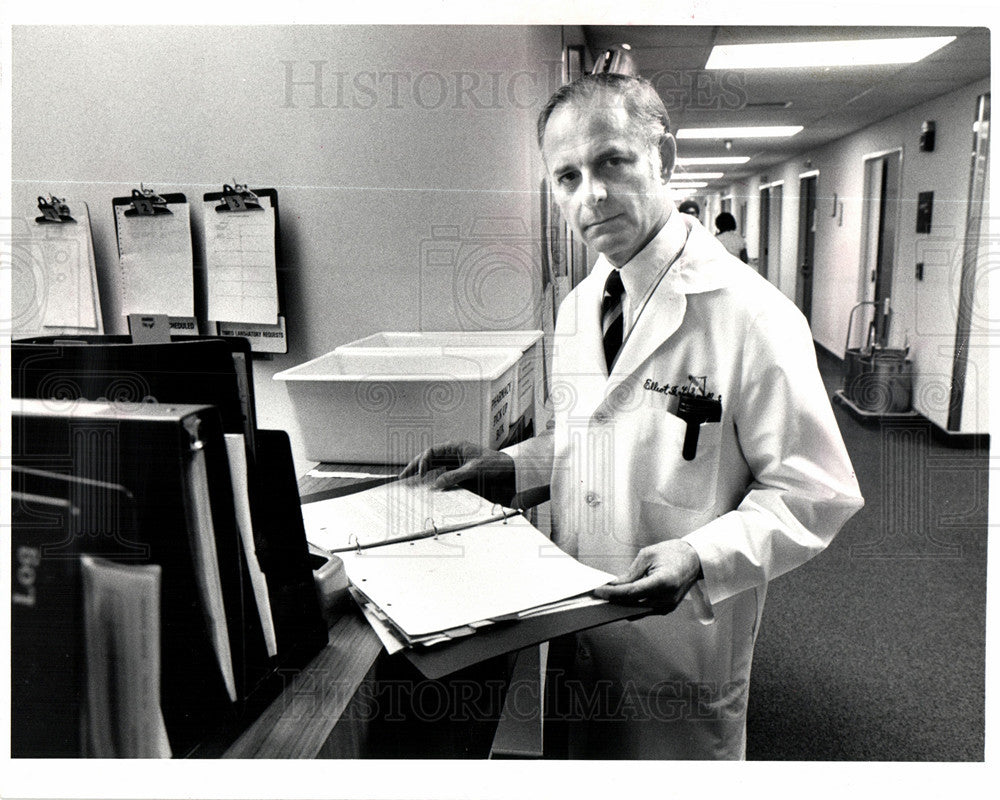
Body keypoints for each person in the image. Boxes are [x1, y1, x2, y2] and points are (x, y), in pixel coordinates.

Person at [402, 72, 863, 759]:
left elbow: (814, 490)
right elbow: (587, 442)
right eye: (566, 177)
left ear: (664, 160)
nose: (591, 194)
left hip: (681, 645)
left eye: (612, 160)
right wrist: (509, 465)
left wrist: (700, 555)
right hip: (575, 620)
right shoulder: (581, 306)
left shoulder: (752, 315)